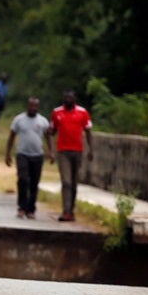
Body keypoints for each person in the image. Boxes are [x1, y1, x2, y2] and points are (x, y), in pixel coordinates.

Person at [49, 89, 93, 222]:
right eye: (66, 98)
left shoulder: (82, 112)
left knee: (74, 183)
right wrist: (51, 150)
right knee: (66, 181)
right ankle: (66, 211)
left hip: (77, 151)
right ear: (63, 99)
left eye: (70, 98)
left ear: (74, 100)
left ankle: (71, 210)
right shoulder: (57, 112)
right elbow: (52, 132)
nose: (68, 100)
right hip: (63, 151)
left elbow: (88, 131)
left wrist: (91, 149)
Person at [5, 97, 52, 219]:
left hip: (37, 155)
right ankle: (21, 207)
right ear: (28, 106)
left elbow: (48, 137)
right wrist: (8, 154)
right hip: (22, 154)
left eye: (35, 106)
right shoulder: (19, 120)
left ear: (38, 107)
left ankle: (31, 209)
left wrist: (51, 152)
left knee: (34, 183)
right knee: (23, 179)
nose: (33, 108)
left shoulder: (43, 121)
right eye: (31, 106)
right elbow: (11, 137)